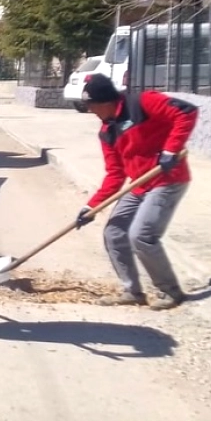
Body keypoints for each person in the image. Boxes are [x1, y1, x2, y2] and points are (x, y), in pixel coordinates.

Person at [77, 74, 198, 310]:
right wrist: (91, 207)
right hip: (140, 185)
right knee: (114, 233)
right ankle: (132, 291)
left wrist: (171, 150)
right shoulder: (107, 132)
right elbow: (115, 174)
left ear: (106, 101)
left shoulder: (141, 103)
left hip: (167, 180)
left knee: (141, 235)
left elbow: (186, 112)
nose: (90, 111)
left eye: (91, 105)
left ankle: (170, 291)